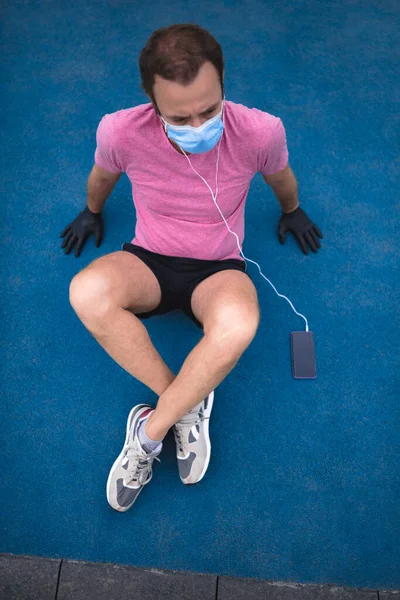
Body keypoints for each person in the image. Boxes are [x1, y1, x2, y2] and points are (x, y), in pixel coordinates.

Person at [61, 24, 323, 512]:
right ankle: (185, 402)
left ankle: (150, 431)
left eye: (209, 109)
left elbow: (280, 175)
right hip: (149, 261)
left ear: (224, 84)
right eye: (180, 117)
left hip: (218, 269)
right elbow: (103, 174)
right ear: (151, 101)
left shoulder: (261, 130)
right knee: (86, 292)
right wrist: (92, 209)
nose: (198, 124)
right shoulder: (120, 130)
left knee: (239, 324)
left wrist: (291, 209)